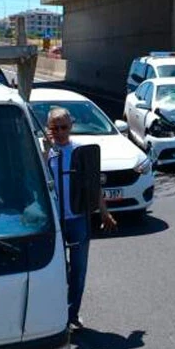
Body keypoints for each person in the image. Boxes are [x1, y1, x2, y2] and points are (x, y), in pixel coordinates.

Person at [46, 107, 118, 328]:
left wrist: (104, 213)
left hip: (77, 218)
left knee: (78, 270)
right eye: (55, 128)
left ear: (71, 127)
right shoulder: (43, 152)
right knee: (55, 271)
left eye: (64, 127)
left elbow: (92, 185)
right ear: (49, 129)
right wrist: (44, 149)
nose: (60, 132)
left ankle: (72, 314)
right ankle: (54, 315)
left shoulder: (80, 152)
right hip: (52, 223)